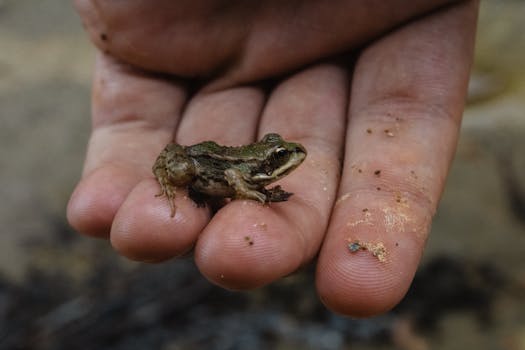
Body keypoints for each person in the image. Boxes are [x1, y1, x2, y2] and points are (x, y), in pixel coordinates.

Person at [67, 0, 479, 316]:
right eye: (280, 155)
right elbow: (237, 182)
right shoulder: (251, 174)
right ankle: (164, 182)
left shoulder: (263, 166)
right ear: (268, 161)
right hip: (200, 162)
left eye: (280, 152)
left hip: (219, 157)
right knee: (183, 179)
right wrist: (260, 196)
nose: (291, 158)